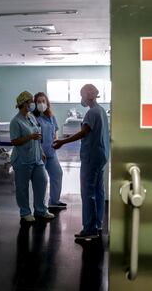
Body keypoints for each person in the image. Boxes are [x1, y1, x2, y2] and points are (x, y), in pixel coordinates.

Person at [53, 84, 109, 239]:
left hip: (92, 158)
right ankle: (97, 223)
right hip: (101, 156)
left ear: (90, 95)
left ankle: (89, 228)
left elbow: (84, 133)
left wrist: (63, 142)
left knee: (88, 192)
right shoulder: (102, 111)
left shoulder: (92, 113)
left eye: (82, 94)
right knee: (98, 191)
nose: (81, 98)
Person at [10, 91, 55, 223]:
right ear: (24, 104)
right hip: (23, 160)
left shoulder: (31, 117)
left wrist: (40, 151)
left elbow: (37, 135)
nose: (33, 104)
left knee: (42, 182)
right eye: (31, 102)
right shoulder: (16, 121)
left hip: (36, 158)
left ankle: (41, 210)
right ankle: (25, 212)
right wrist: (30, 137)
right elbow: (14, 141)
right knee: (22, 188)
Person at [32, 92, 66, 209]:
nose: (41, 104)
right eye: (39, 102)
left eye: (43, 101)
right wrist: (40, 151)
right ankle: (39, 206)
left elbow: (55, 129)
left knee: (57, 174)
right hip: (39, 153)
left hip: (51, 152)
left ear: (47, 103)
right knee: (41, 180)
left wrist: (56, 139)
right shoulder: (33, 118)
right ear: (35, 104)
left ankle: (54, 201)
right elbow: (33, 136)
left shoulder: (50, 116)